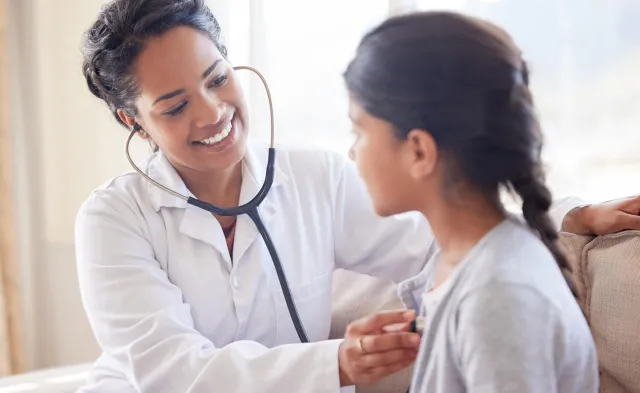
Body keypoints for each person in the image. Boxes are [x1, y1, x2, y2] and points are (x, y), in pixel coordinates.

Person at [76, 0, 632, 392]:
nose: (212, 112)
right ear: (134, 120)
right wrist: (336, 363)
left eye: (218, 78)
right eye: (174, 107)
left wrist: (565, 215)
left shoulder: (314, 178)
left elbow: (449, 228)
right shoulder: (112, 219)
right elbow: (174, 375)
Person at [342, 11, 598, 393]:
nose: (352, 153)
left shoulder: (499, 298)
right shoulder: (465, 261)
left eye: (358, 131)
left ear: (418, 152)